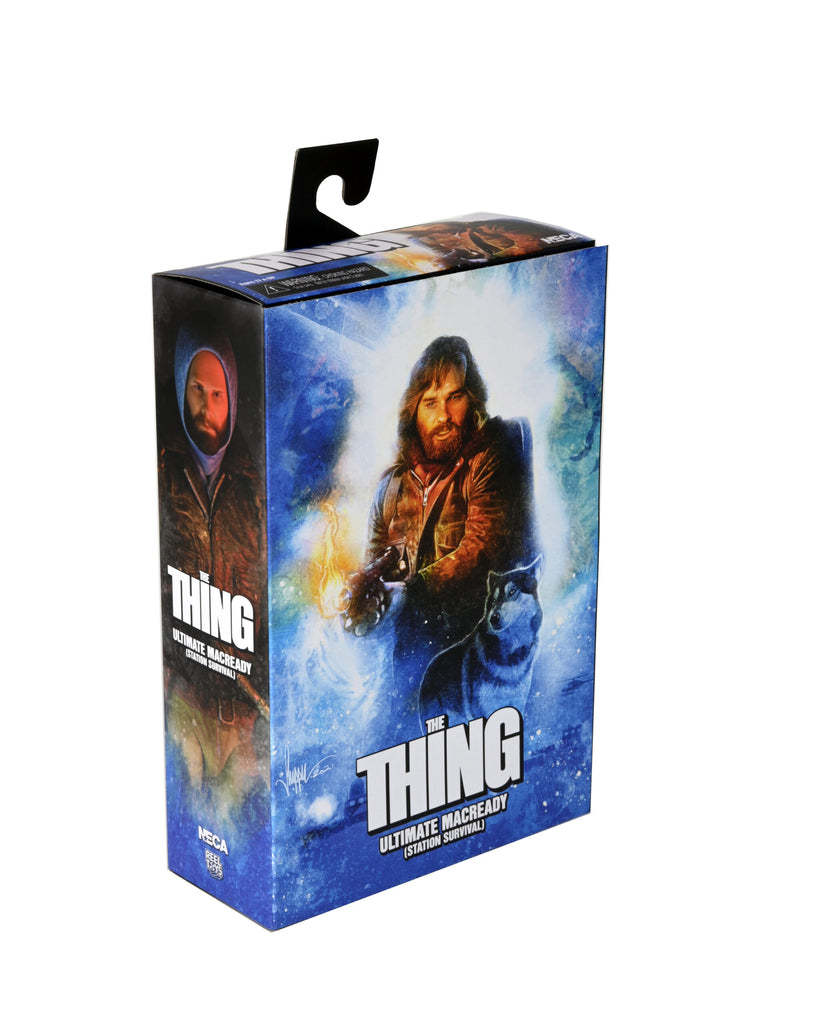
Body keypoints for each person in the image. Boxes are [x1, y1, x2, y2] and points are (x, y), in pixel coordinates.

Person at [348, 336, 535, 668]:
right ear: (414, 410)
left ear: (472, 399)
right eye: (431, 402)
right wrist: (365, 599)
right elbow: (374, 566)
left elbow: (481, 550)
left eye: (455, 397)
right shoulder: (389, 489)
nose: (444, 416)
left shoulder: (490, 456)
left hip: (476, 661)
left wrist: (412, 591)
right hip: (405, 662)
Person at [158, 322, 268, 818]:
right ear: (181, 388)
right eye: (197, 390)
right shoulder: (159, 469)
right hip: (182, 708)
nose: (207, 407)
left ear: (233, 397)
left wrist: (256, 725)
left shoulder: (258, 489)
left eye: (218, 394)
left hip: (245, 724)